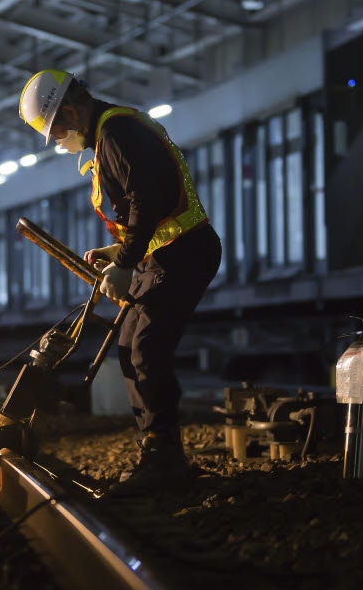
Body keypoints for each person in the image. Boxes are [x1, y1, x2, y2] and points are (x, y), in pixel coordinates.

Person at [19, 69, 221, 495]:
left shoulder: (118, 133)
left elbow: (146, 201)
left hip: (182, 254)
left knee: (145, 348)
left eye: (56, 131)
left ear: (71, 111)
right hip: (168, 253)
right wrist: (119, 255)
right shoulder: (114, 132)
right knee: (131, 347)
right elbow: (147, 206)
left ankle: (164, 462)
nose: (58, 142)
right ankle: (160, 454)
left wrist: (127, 263)